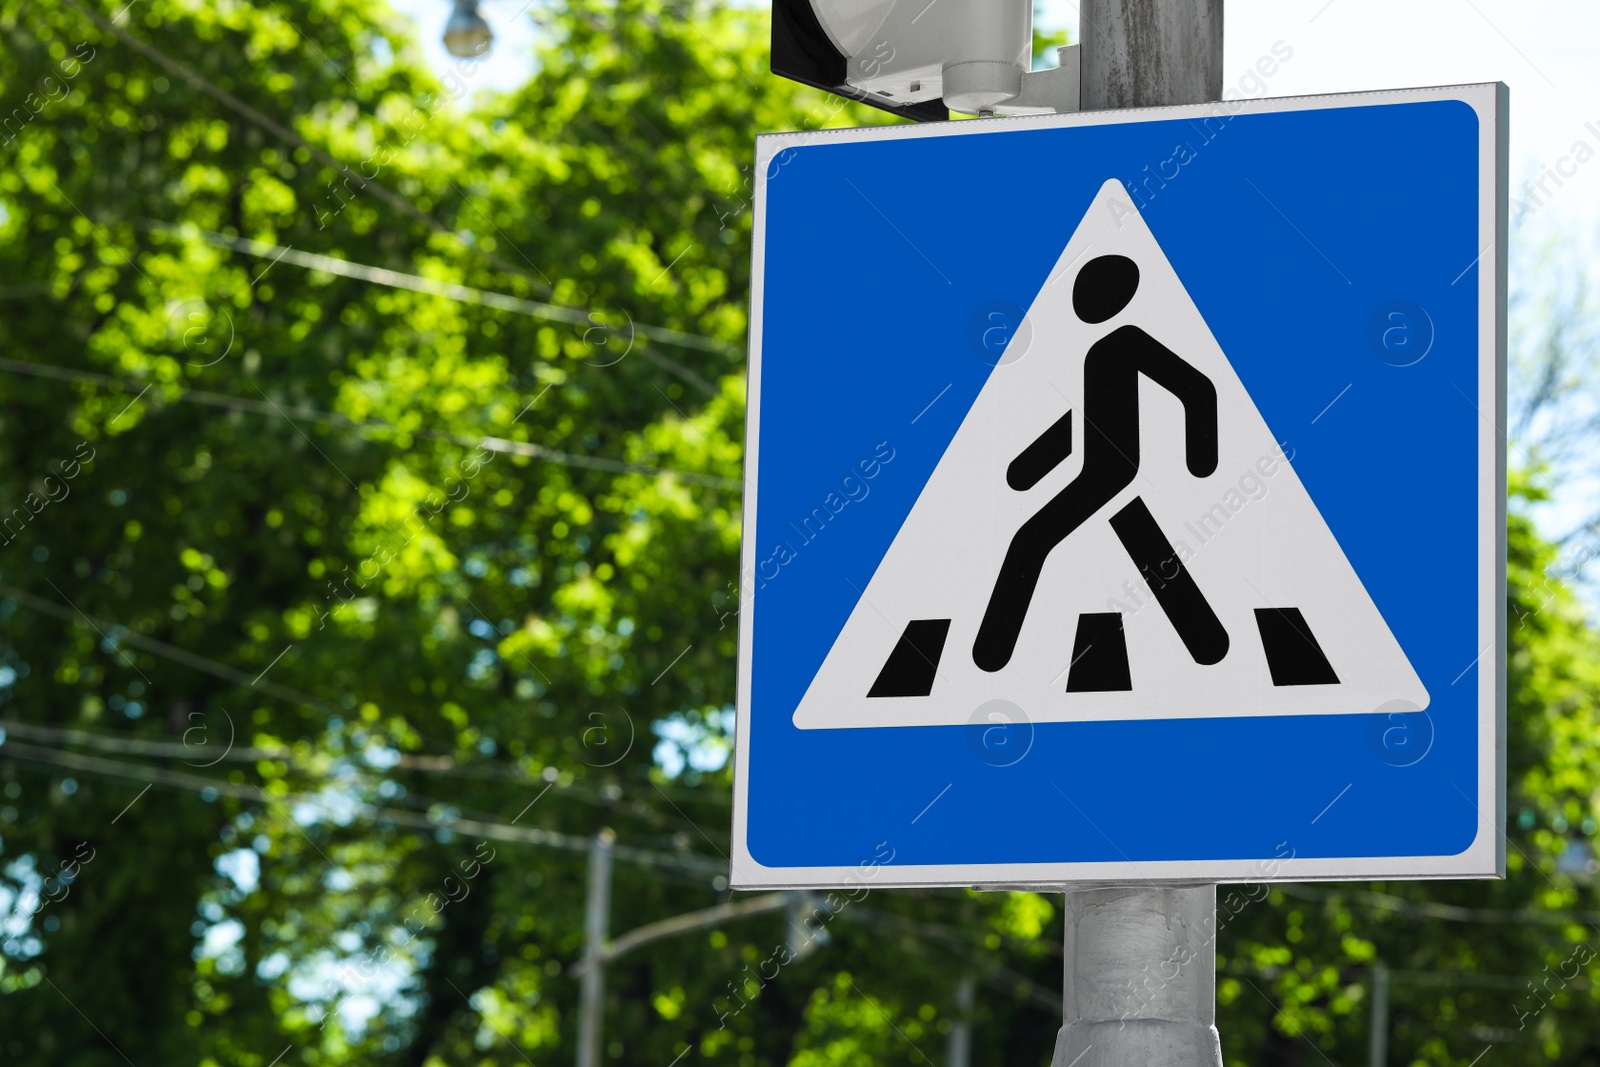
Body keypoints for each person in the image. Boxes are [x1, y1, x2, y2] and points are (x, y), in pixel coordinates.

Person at [972, 253, 1226, 673]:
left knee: (1029, 542)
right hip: (1102, 471)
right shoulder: (1097, 352)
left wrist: (1201, 459)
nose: (1079, 302)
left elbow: (1196, 389)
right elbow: (1079, 422)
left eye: (1087, 291)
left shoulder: (1127, 340)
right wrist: (1027, 469)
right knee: (1143, 542)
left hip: (1114, 471)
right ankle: (1209, 645)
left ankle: (990, 655)